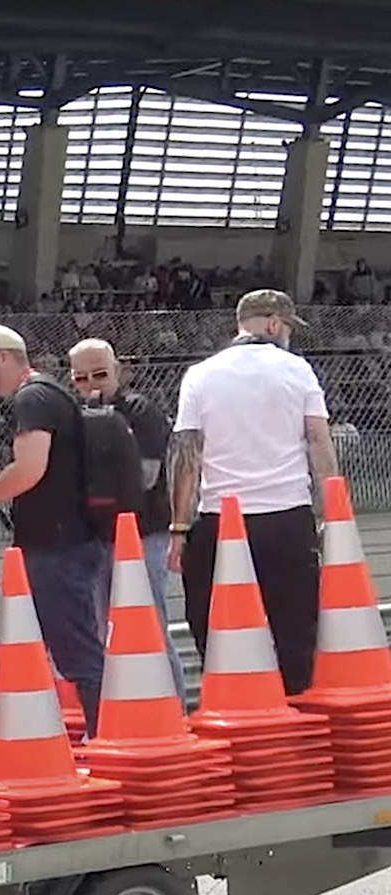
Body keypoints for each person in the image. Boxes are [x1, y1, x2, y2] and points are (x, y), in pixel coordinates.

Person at [167, 289, 339, 695]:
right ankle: (297, 703)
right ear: (275, 323)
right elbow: (318, 438)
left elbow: (187, 453)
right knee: (295, 627)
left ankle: (230, 704)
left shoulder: (202, 374)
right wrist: (332, 509)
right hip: (286, 513)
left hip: (220, 517)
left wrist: (179, 526)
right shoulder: (297, 370)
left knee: (215, 626)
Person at [0, 324, 107, 737]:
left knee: (76, 649)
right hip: (64, 539)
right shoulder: (46, 394)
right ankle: (102, 729)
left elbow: (30, 469)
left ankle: (108, 733)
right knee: (72, 643)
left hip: (56, 544)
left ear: (3, 357)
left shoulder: (32, 398)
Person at [68, 337, 188, 710]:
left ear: (118, 372)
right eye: (81, 378)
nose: (92, 384)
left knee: (149, 623)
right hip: (97, 536)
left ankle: (173, 708)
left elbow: (147, 475)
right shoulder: (75, 417)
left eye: (100, 374)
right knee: (105, 628)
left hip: (143, 534)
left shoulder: (139, 410)